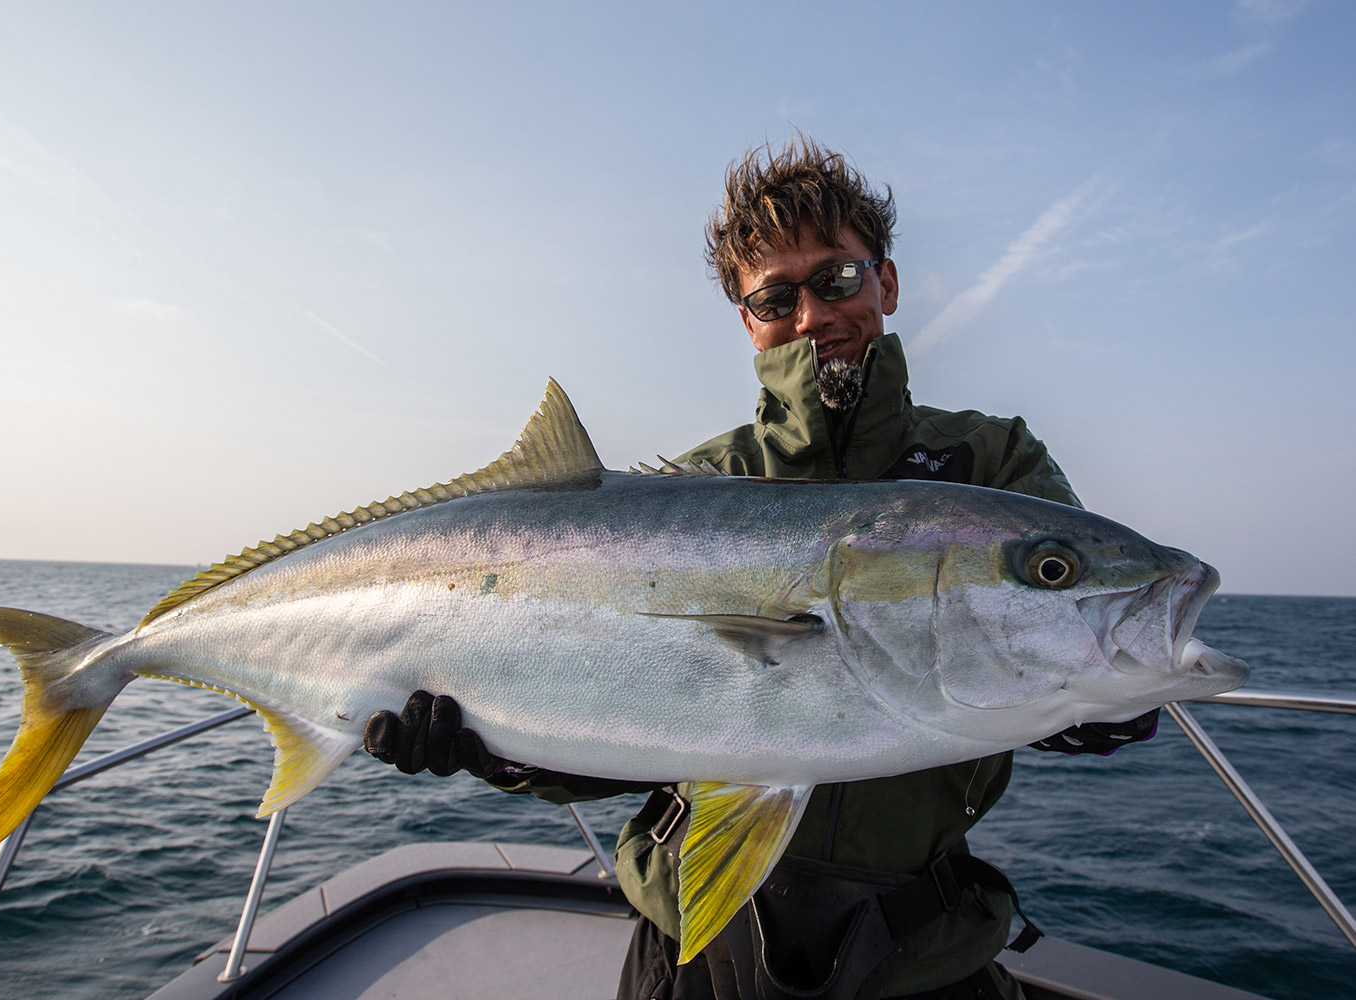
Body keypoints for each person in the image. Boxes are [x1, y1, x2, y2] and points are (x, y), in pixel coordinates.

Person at [364, 136, 1159, 1000]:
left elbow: (1078, 615)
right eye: (777, 297)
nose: (813, 316)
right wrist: (496, 746)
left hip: (921, 951)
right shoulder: (696, 488)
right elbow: (621, 715)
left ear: (886, 284)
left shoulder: (991, 462)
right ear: (749, 322)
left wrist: (1107, 703)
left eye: (838, 280)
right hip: (690, 947)